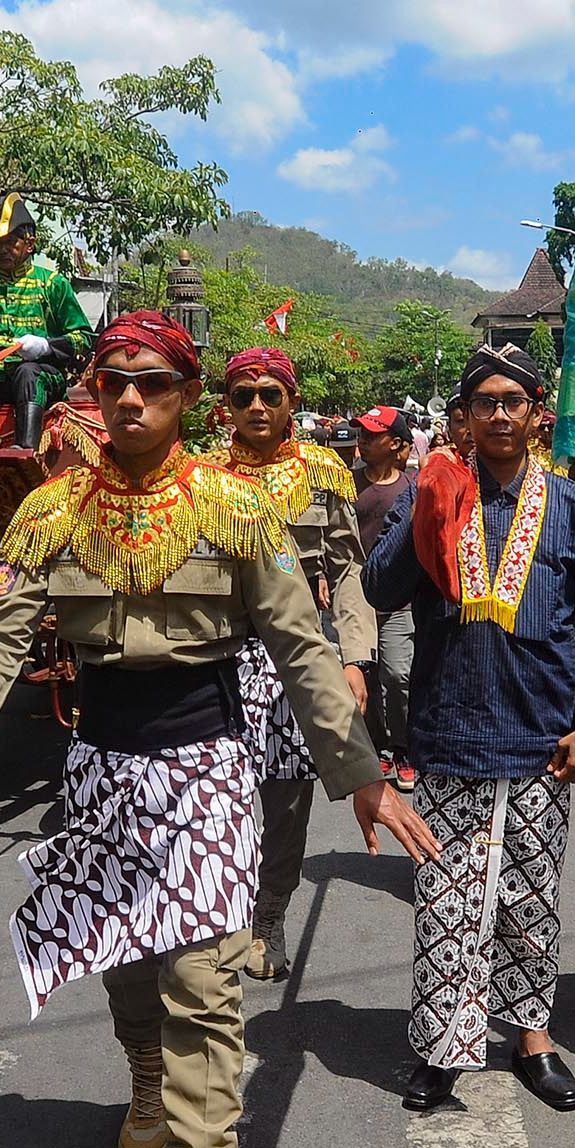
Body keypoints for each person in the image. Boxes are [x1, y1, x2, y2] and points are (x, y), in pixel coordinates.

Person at [0, 311, 437, 1148]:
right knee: (129, 964)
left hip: (208, 769)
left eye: (155, 384)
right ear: (94, 387)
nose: (132, 399)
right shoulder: (48, 510)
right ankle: (143, 1079)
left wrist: (359, 773)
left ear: (186, 397)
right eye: (115, 381)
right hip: (98, 768)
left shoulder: (236, 508)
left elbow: (302, 645)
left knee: (205, 985)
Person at [363, 343, 575, 1115]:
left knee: (529, 899)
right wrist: (422, 504)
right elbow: (379, 588)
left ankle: (533, 1039)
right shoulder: (437, 491)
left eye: (514, 400)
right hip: (447, 733)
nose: (500, 413)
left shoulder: (574, 507)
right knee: (447, 898)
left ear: (537, 413)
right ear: (465, 416)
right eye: (485, 402)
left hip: (544, 739)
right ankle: (443, 1046)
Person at [219, 346, 377, 980]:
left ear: (292, 402)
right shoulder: (198, 478)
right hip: (219, 657)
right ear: (225, 407)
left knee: (285, 800)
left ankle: (269, 916)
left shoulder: (324, 473)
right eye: (243, 396)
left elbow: (347, 572)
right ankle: (219, 918)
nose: (257, 405)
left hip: (298, 659)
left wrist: (356, 659)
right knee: (218, 798)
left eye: (271, 394)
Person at [0, 190, 92, 452]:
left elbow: (84, 339)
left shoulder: (53, 284)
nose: (2, 249)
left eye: (10, 242)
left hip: (41, 375)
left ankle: (25, 452)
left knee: (28, 374)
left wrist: (46, 346)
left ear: (29, 244)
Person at [354, 405, 417, 790]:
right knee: (366, 678)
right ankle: (378, 748)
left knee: (397, 674)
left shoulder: (412, 487)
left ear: (397, 445)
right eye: (361, 434)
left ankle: (405, 748)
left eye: (372, 435)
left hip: (399, 600)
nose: (363, 441)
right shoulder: (347, 483)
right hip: (357, 600)